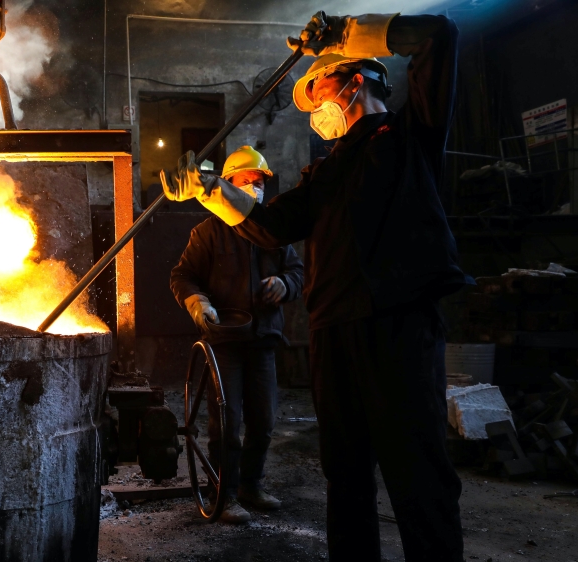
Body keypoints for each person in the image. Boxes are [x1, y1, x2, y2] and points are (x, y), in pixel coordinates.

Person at [160, 12, 470, 561]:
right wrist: (209, 191)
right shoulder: (324, 173)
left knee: (417, 472)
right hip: (334, 333)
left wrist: (346, 33)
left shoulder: (411, 134)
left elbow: (437, 36)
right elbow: (270, 225)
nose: (314, 109)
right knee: (345, 476)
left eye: (318, 90)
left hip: (398, 324)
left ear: (356, 81)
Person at [170, 146, 304, 524]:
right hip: (224, 343)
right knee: (227, 424)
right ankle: (223, 493)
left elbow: (297, 272)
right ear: (227, 184)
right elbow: (182, 276)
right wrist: (198, 302)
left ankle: (250, 485)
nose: (254, 188)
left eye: (259, 182)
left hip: (263, 340)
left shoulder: (272, 233)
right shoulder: (208, 233)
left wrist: (285, 284)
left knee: (263, 422)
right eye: (246, 181)